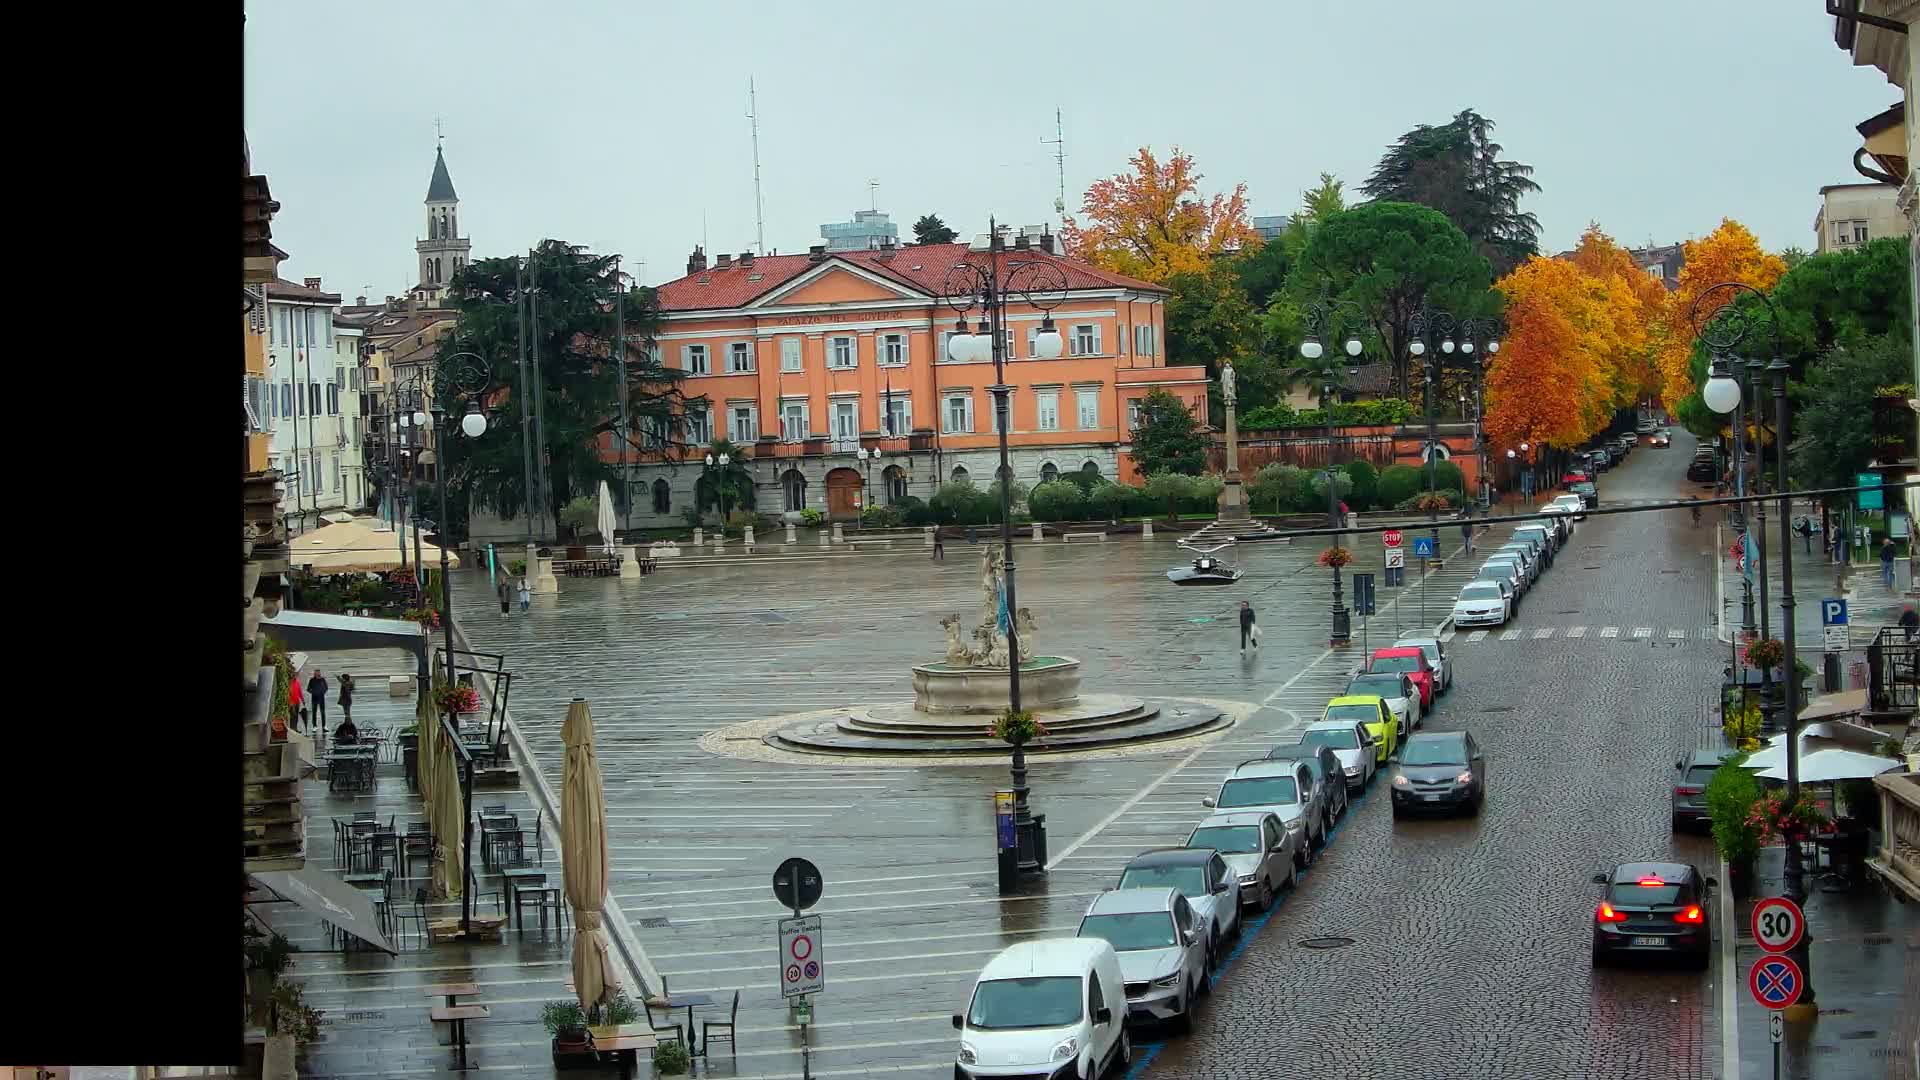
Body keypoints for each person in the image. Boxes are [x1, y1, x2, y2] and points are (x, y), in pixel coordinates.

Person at [287, 664, 305, 731]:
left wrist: (303, 700)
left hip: (297, 702)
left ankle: (295, 728)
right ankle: (292, 728)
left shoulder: (297, 682)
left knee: (296, 716)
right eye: (294, 674)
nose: (295, 676)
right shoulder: (289, 683)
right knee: (292, 716)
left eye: (296, 674)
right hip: (292, 703)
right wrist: (290, 702)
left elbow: (300, 692)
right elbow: (288, 693)